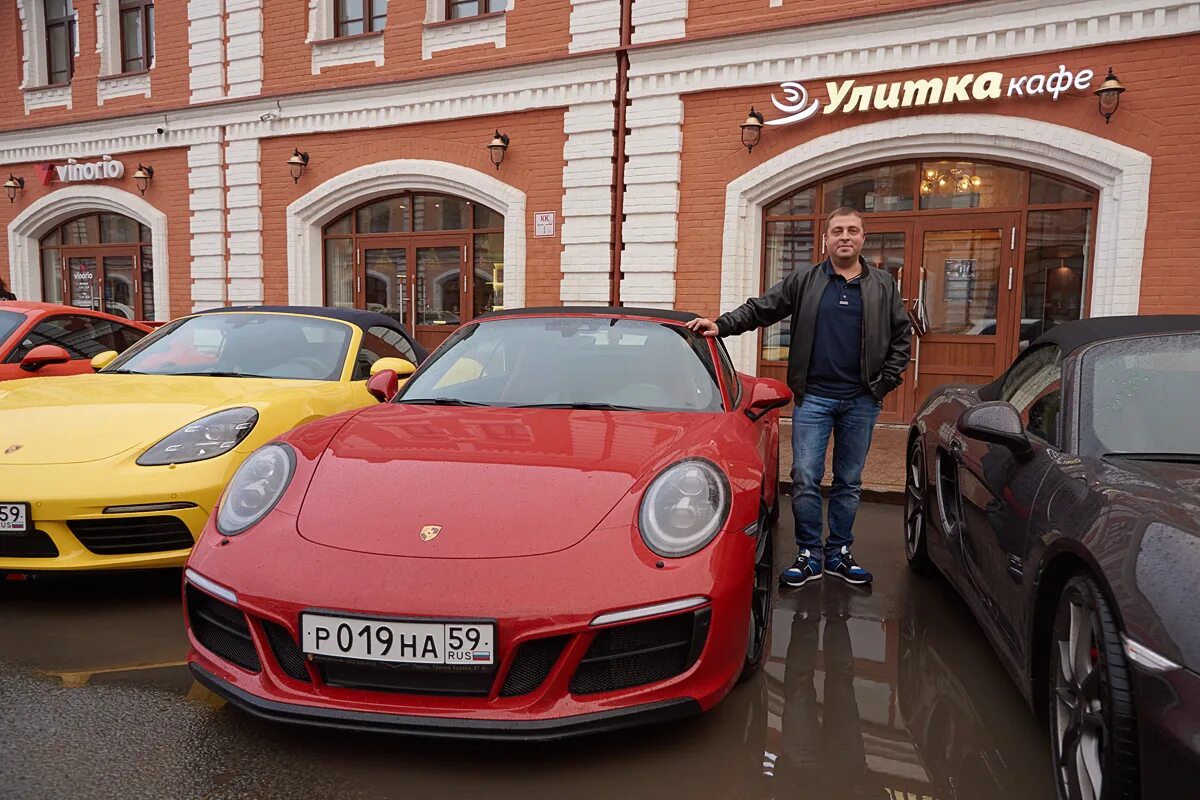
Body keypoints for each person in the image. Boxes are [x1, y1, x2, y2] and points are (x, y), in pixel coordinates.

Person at [686, 208, 910, 587]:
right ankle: (809, 553)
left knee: (849, 479)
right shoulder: (805, 280)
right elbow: (762, 308)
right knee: (805, 476)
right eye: (837, 230)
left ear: (863, 238)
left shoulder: (883, 285)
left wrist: (884, 383)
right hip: (815, 398)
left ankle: (839, 551)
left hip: (861, 400)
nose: (845, 236)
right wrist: (721, 324)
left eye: (852, 231)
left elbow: (901, 337)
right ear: (825, 239)